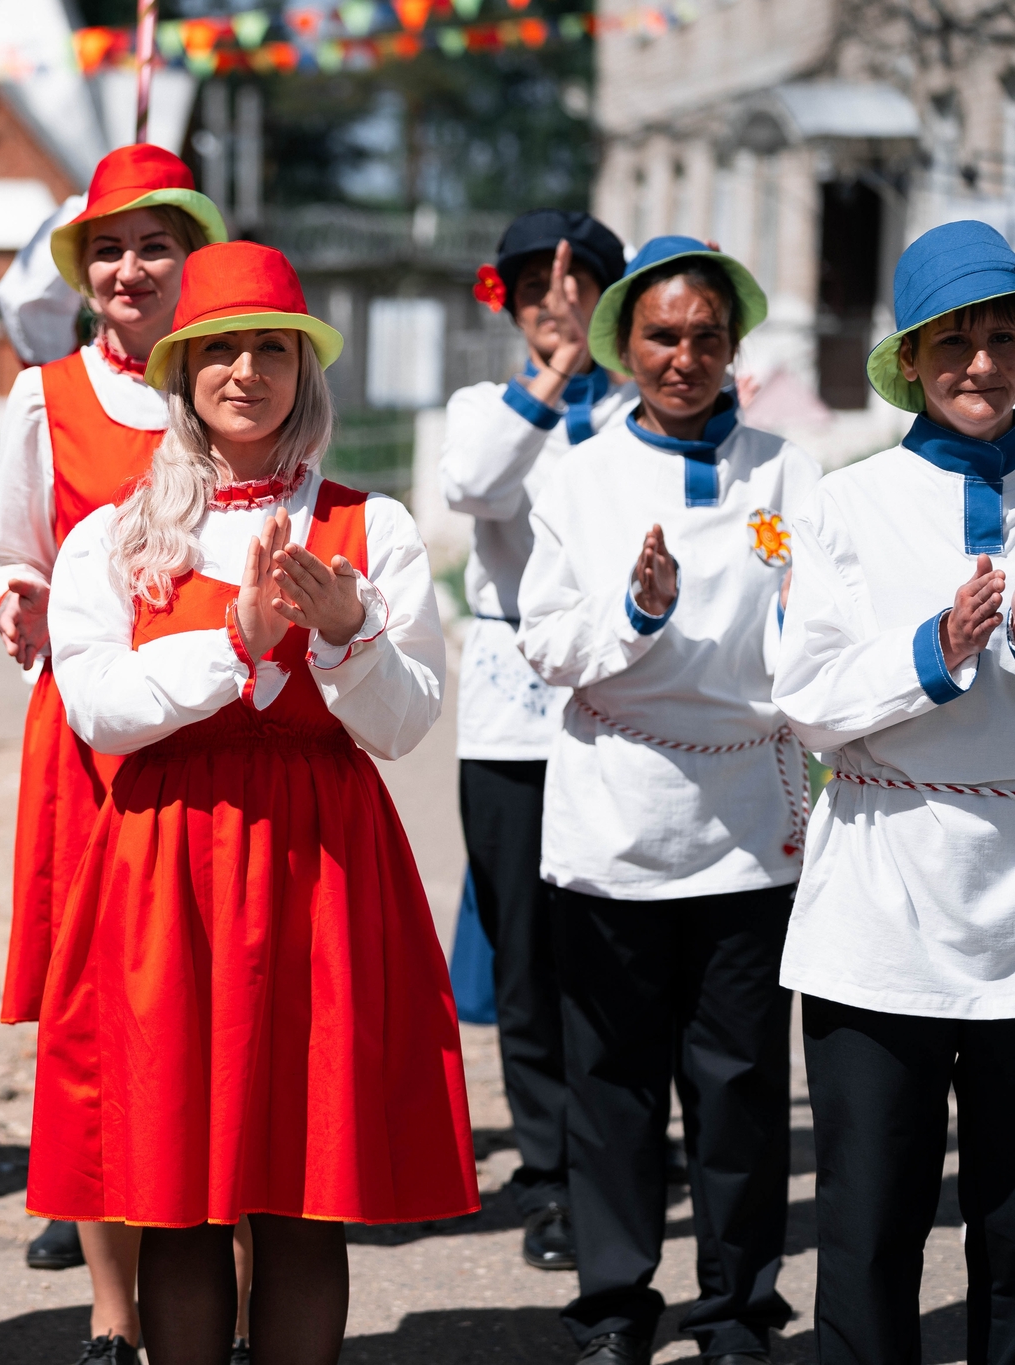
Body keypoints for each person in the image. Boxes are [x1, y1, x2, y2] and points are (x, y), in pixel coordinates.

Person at [34, 240, 479, 1365]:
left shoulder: (369, 527)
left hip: (317, 868)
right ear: (178, 372)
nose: (245, 371)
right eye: (219, 349)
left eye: (270, 349)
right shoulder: (115, 534)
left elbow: (403, 721)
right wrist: (233, 640)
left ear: (304, 371)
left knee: (299, 1187)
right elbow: (98, 710)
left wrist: (341, 639)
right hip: (164, 869)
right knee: (173, 1184)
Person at [516, 236, 818, 1365]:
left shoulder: (786, 471)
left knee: (738, 1086)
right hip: (615, 816)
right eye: (659, 335)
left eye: (703, 336)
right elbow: (546, 642)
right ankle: (612, 1304)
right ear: (622, 345)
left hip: (746, 819)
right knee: (612, 1085)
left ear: (733, 345)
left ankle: (737, 1307)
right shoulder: (578, 473)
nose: (682, 356)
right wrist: (636, 613)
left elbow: (809, 614)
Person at [0, 142, 227, 1365]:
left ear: (195, 258)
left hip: (218, 739)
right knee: (96, 1017)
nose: (131, 270)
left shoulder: (236, 382)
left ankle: (220, 1290)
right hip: (89, 739)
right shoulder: (47, 395)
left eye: (154, 246)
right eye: (109, 251)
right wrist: (17, 598)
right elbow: (9, 552)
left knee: (216, 1004)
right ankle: (111, 1309)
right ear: (81, 273)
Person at [773, 219, 1015, 1364]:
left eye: (1006, 339)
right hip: (880, 906)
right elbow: (808, 701)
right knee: (870, 1223)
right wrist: (933, 646)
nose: (982, 365)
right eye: (953, 342)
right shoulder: (845, 503)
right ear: (909, 361)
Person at [437, 209, 633, 1273]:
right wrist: (548, 374)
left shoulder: (640, 410)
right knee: (524, 951)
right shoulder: (488, 404)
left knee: (612, 949)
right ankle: (550, 1169)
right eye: (530, 295)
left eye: (575, 290)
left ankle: (618, 1149)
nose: (552, 308)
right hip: (512, 714)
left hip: (616, 700)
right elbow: (472, 486)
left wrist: (587, 376)